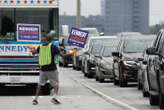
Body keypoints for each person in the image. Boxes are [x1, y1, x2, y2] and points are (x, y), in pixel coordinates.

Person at [30, 34, 72, 105]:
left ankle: (35, 99)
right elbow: (63, 56)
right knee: (56, 84)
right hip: (52, 69)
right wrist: (71, 53)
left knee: (39, 84)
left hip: (43, 69)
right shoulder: (53, 47)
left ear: (45, 39)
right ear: (51, 39)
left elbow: (33, 53)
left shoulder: (40, 47)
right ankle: (54, 98)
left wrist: (32, 50)